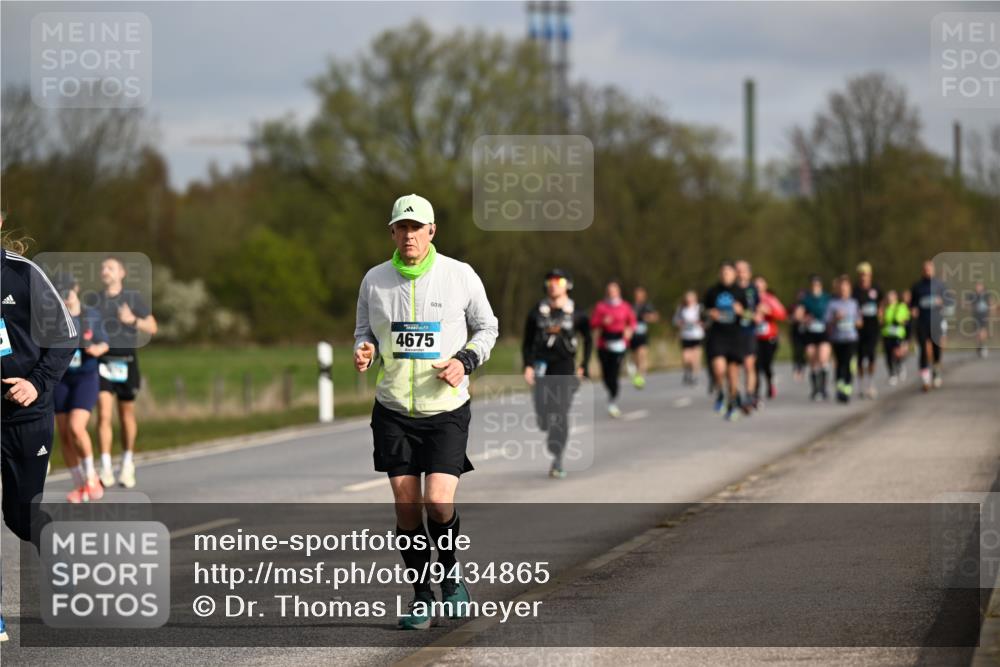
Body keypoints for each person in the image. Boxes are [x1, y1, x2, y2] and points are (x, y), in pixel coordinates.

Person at [354, 194, 498, 630]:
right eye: (402, 227)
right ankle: (421, 596)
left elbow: (488, 327)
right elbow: (366, 331)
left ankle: (451, 575)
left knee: (437, 502)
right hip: (394, 409)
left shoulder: (459, 275)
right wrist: (365, 350)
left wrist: (465, 360)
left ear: (432, 231)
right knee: (406, 506)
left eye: (417, 227)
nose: (409, 234)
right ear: (392, 232)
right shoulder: (374, 280)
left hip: (445, 409)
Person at [0, 216, 77, 642]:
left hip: (26, 416)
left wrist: (36, 383)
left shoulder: (23, 273)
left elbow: (65, 336)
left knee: (20, 515)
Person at [522, 269, 592, 479]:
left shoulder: (577, 313)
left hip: (565, 368)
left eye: (558, 281)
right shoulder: (536, 312)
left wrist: (584, 366)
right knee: (544, 415)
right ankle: (546, 423)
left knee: (560, 413)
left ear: (567, 285)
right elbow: (526, 342)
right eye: (550, 281)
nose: (553, 284)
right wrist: (527, 365)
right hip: (542, 366)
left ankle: (557, 457)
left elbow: (588, 340)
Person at [95, 256, 157, 489]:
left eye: (110, 267)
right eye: (103, 267)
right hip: (102, 362)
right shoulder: (96, 300)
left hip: (126, 361)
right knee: (103, 414)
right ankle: (106, 467)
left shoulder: (132, 298)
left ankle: (128, 462)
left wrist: (132, 320)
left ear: (121, 273)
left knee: (126, 415)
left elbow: (152, 326)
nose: (105, 271)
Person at [54, 275, 109, 503]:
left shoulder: (91, 315)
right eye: (59, 293)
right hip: (61, 379)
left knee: (77, 428)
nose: (65, 297)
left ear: (76, 289)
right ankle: (79, 484)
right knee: (65, 435)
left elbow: (105, 342)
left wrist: (97, 348)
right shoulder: (53, 318)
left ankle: (91, 476)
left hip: (85, 377)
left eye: (68, 292)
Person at [702, 261, 748, 421]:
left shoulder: (741, 292)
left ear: (734, 274)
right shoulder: (712, 292)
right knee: (719, 369)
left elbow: (751, 316)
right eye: (723, 272)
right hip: (717, 335)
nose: (725, 275)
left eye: (728, 272)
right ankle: (720, 393)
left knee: (733, 373)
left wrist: (741, 312)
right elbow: (703, 313)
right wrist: (710, 314)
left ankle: (733, 402)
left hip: (735, 335)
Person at [590, 281, 636, 418]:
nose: (611, 293)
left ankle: (612, 399)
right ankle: (611, 390)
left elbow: (632, 322)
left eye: (614, 290)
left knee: (614, 374)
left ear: (618, 292)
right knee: (605, 376)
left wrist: (629, 330)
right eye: (609, 291)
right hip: (604, 344)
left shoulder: (625, 306)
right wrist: (602, 322)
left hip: (619, 343)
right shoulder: (601, 307)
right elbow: (592, 323)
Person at [910, 260, 948, 391]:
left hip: (936, 322)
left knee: (936, 349)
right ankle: (925, 380)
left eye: (929, 268)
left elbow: (949, 301)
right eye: (925, 269)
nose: (927, 271)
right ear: (922, 270)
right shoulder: (917, 286)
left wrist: (943, 302)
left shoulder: (940, 285)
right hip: (922, 323)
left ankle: (936, 371)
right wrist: (913, 310)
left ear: (933, 270)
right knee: (924, 350)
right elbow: (912, 304)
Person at [794, 275, 832, 401]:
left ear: (821, 285)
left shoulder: (827, 298)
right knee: (813, 359)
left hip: (823, 332)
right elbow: (797, 315)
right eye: (813, 285)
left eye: (817, 285)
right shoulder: (806, 299)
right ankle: (816, 389)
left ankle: (824, 388)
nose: (815, 287)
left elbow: (832, 312)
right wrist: (804, 318)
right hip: (810, 332)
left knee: (823, 357)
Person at [825, 275, 862, 404]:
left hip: (851, 337)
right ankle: (840, 388)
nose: (843, 290)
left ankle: (847, 388)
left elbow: (859, 321)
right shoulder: (832, 304)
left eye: (845, 288)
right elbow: (827, 321)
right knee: (839, 364)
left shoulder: (853, 303)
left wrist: (857, 322)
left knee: (848, 363)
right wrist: (836, 318)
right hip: (837, 338)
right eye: (841, 288)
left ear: (849, 289)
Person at [753, 276, 787, 401]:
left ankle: (770, 383)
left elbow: (782, 315)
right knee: (755, 365)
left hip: (769, 337)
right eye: (755, 285)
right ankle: (755, 389)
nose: (758, 287)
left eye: (760, 285)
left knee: (766, 364)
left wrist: (769, 312)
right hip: (754, 337)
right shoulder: (750, 299)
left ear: (765, 286)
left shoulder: (770, 299)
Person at [852, 262, 883, 399]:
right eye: (861, 274)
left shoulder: (876, 289)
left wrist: (881, 312)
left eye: (866, 274)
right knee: (859, 358)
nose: (863, 277)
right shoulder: (854, 291)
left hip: (873, 328)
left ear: (870, 275)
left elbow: (882, 302)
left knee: (871, 356)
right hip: (859, 329)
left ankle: (870, 384)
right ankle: (860, 385)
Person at [735, 260, 759, 412]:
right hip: (734, 332)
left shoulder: (753, 289)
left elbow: (757, 310)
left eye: (743, 270)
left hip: (749, 331)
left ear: (749, 273)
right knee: (735, 366)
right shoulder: (730, 290)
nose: (740, 273)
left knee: (749, 365)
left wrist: (746, 313)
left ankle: (749, 394)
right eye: (737, 270)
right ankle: (735, 393)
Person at [627, 287, 658, 389]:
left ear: (644, 296)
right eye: (637, 294)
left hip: (642, 335)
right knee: (635, 358)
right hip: (633, 335)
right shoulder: (631, 306)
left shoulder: (647, 306)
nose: (638, 296)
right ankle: (637, 374)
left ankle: (640, 377)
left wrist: (647, 317)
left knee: (642, 355)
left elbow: (655, 317)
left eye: (640, 295)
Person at [672, 290, 704, 386]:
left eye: (691, 298)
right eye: (687, 298)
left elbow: (705, 320)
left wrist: (699, 323)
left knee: (695, 358)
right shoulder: (681, 309)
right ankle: (688, 371)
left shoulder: (699, 308)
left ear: (695, 299)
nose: (689, 300)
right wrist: (680, 323)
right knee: (686, 358)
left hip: (696, 335)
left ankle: (694, 376)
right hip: (685, 336)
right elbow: (675, 320)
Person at [881, 289, 910, 386]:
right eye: (888, 297)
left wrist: (901, 320)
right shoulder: (885, 308)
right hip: (887, 334)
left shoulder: (901, 306)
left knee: (897, 353)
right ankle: (892, 373)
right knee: (888, 355)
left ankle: (900, 365)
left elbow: (906, 319)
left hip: (898, 334)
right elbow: (881, 321)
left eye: (891, 296)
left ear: (895, 297)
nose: (890, 299)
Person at [969, 281, 994, 358]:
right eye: (977, 286)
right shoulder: (973, 295)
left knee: (983, 331)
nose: (978, 288)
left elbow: (991, 303)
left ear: (983, 287)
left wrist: (991, 311)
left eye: (980, 286)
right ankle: (979, 346)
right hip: (976, 316)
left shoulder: (986, 295)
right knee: (977, 333)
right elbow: (969, 305)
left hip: (984, 315)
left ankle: (983, 346)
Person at [790, 287, 808, 382]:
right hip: (796, 333)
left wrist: (805, 319)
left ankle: (802, 368)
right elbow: (787, 317)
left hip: (806, 333)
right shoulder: (793, 306)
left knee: (805, 352)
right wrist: (795, 318)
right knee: (797, 352)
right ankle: (797, 368)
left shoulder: (808, 306)